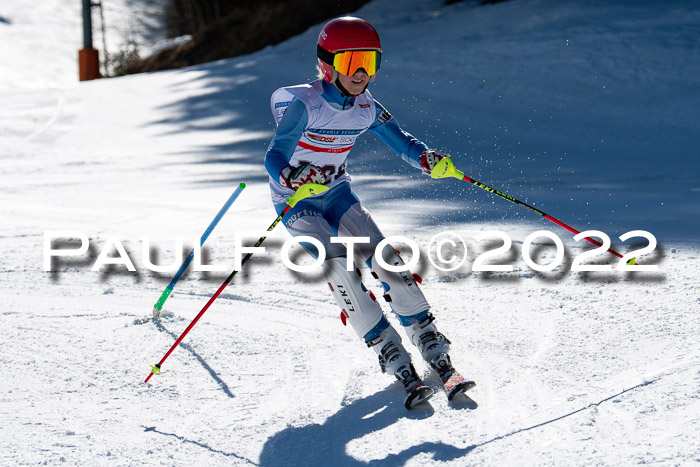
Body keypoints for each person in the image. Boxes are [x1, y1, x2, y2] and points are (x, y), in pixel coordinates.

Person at [264, 16, 474, 408]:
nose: (361, 72)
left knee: (385, 258)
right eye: (350, 61)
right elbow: (274, 155)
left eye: (370, 61)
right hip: (296, 203)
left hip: (337, 194)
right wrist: (292, 176)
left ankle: (428, 337)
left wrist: (427, 159)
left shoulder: (366, 107)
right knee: (339, 267)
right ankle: (387, 347)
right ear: (328, 65)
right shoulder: (305, 105)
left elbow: (403, 143)